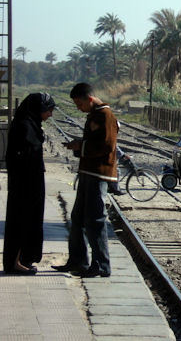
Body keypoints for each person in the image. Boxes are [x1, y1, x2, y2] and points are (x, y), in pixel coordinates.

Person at [52, 83, 118, 278]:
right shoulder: (95, 115)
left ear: (89, 99)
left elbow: (106, 145)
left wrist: (80, 146)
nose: (78, 108)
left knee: (95, 220)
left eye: (79, 104)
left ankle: (101, 265)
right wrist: (79, 147)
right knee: (78, 218)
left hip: (99, 174)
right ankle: (78, 261)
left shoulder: (105, 115)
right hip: (88, 173)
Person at [3, 93, 56, 275]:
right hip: (24, 184)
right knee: (21, 221)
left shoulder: (29, 124)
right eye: (48, 110)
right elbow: (22, 157)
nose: (50, 114)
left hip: (30, 182)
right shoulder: (24, 126)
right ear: (38, 109)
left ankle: (23, 259)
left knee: (29, 220)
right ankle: (15, 263)